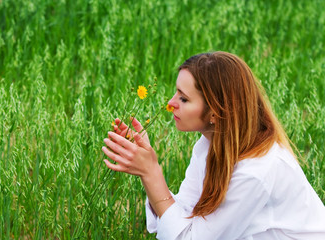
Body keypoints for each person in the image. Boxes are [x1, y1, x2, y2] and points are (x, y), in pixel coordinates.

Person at [101, 51, 325, 239]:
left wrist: (151, 172)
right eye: (176, 92)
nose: (170, 104)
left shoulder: (256, 171)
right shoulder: (210, 143)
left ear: (216, 114)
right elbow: (183, 215)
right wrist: (147, 165)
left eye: (184, 98)